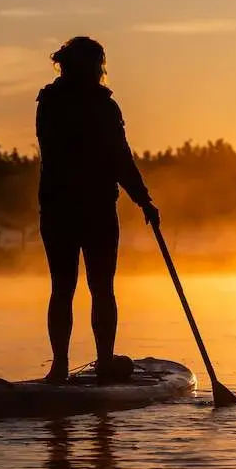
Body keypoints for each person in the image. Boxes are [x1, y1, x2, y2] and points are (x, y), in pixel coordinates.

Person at [35, 36, 160, 384]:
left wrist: (142, 199)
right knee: (95, 287)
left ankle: (66, 366)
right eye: (97, 64)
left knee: (69, 286)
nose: (100, 71)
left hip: (63, 208)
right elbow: (118, 157)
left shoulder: (50, 101)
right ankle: (95, 362)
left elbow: (117, 156)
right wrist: (143, 198)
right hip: (87, 210)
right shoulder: (96, 106)